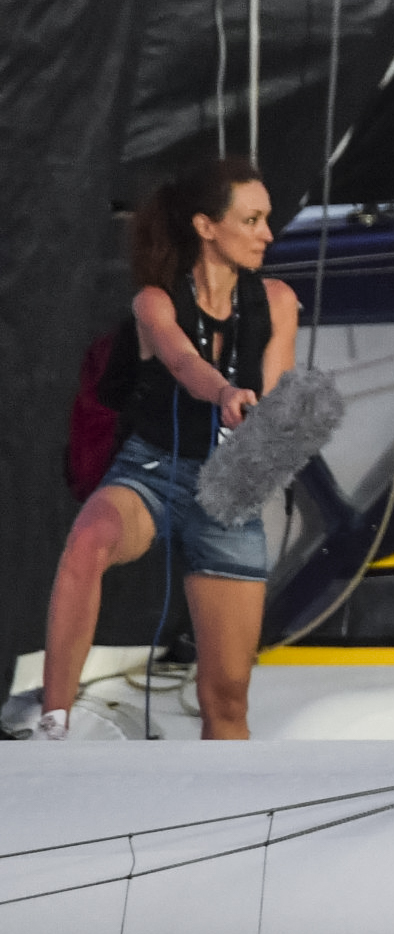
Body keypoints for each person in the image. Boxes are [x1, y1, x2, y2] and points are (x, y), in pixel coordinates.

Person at [38, 156, 298, 741]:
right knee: (88, 543)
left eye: (267, 220)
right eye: (252, 220)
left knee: (226, 701)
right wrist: (225, 391)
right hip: (151, 471)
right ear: (206, 227)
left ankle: (225, 794)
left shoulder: (278, 300)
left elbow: (276, 391)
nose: (267, 234)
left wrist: (272, 427)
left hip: (227, 490)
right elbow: (182, 361)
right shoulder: (155, 302)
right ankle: (54, 725)